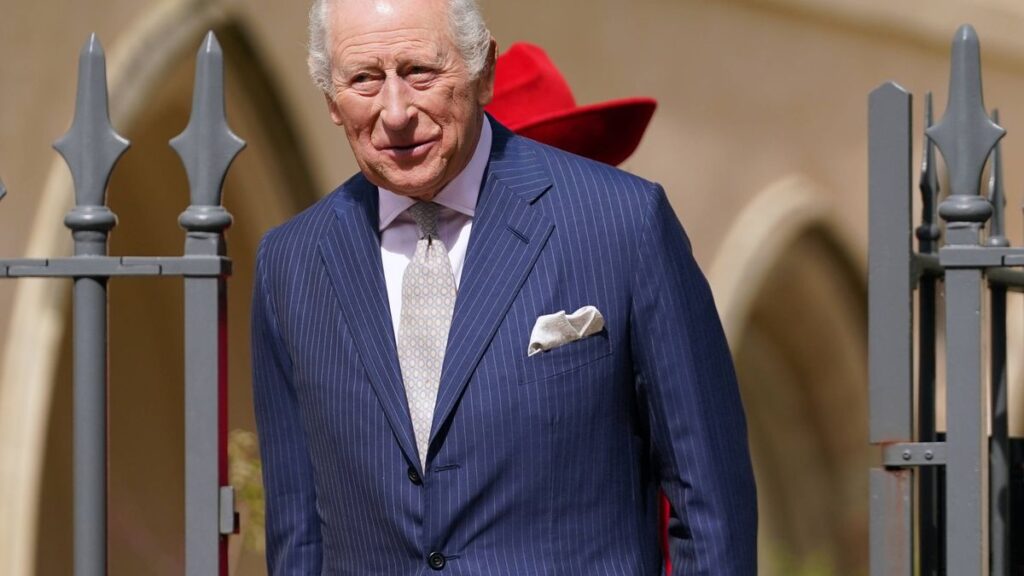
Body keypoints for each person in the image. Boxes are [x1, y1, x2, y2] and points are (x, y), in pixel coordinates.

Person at [251, 0, 757, 574]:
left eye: (419, 71)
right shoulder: (290, 264)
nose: (394, 111)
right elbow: (298, 537)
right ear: (330, 102)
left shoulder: (622, 224)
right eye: (363, 80)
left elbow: (709, 503)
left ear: (483, 70)